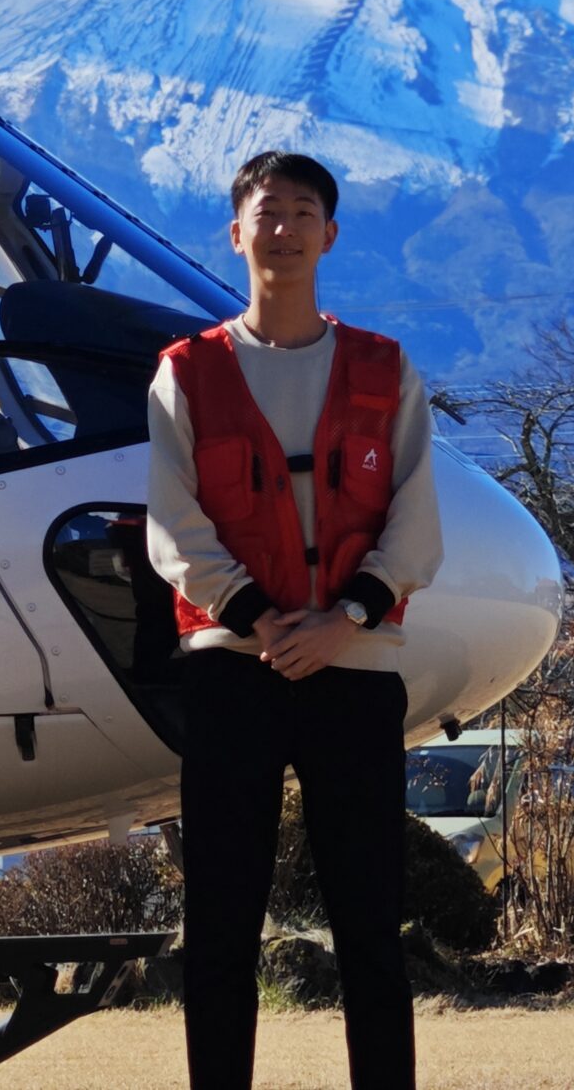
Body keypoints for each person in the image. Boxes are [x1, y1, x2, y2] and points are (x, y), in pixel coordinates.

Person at [147, 150, 442, 1090]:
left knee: (370, 925)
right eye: (265, 211)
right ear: (235, 234)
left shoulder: (385, 369)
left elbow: (416, 523)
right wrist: (264, 619)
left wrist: (344, 617)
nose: (283, 226)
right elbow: (172, 522)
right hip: (231, 666)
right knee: (222, 923)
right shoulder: (186, 373)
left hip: (354, 668)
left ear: (331, 234)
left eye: (303, 210)